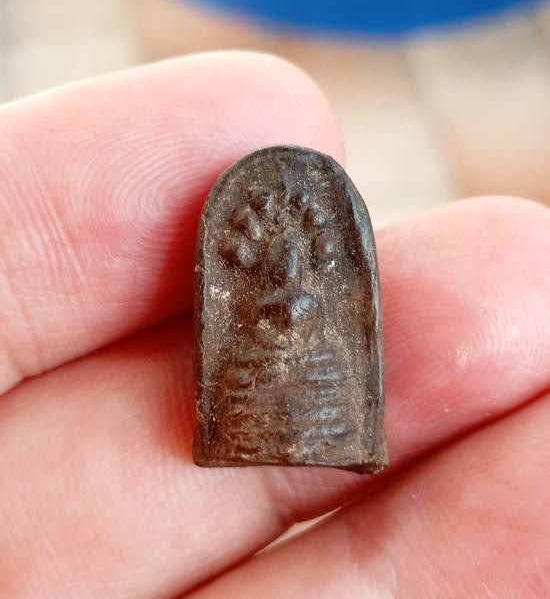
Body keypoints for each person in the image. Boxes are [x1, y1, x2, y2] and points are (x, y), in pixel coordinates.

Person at [0, 51, 548, 598]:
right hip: (254, 394)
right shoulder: (261, 291)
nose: (284, 268)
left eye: (292, 259)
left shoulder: (311, 294)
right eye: (275, 260)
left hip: (317, 395)